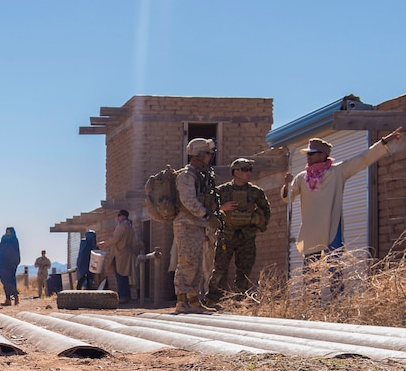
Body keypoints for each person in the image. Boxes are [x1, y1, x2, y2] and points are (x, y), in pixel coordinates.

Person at [282, 127, 403, 295]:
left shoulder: (337, 171)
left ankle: (337, 304)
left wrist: (383, 142)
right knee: (311, 272)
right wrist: (287, 184)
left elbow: (362, 159)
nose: (308, 157)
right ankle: (311, 307)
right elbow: (288, 197)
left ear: (323, 155)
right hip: (311, 231)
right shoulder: (302, 177)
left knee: (335, 268)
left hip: (333, 226)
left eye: (312, 153)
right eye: (308, 154)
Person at [173, 138, 233, 314]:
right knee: (187, 262)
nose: (210, 156)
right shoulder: (186, 175)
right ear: (199, 154)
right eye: (207, 153)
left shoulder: (202, 175)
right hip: (186, 224)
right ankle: (182, 301)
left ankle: (194, 300)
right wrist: (207, 214)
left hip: (198, 224)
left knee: (197, 263)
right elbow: (188, 201)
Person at [207, 158, 271, 306]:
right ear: (235, 172)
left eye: (250, 170)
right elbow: (207, 208)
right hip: (226, 236)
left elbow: (266, 211)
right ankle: (212, 300)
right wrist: (222, 208)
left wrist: (260, 225)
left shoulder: (256, 192)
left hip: (247, 237)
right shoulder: (222, 191)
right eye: (244, 170)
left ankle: (239, 301)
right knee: (220, 270)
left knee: (244, 271)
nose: (248, 173)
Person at [100, 210, 135, 304]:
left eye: (119, 216)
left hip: (119, 254)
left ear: (122, 216)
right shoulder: (130, 227)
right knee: (124, 275)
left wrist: (104, 243)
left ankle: (123, 296)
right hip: (126, 254)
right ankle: (126, 295)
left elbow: (115, 239)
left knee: (120, 275)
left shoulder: (121, 226)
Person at [0, 227, 21, 306]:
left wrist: (14, 262)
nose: (8, 233)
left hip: (10, 264)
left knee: (11, 282)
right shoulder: (3, 239)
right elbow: (0, 248)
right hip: (2, 264)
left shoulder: (14, 240)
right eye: (7, 232)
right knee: (5, 282)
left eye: (9, 232)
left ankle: (16, 297)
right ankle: (8, 299)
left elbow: (15, 252)